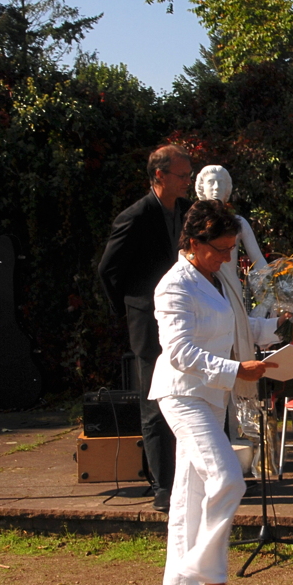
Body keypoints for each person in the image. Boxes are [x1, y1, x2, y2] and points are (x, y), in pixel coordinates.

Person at [149, 199, 290, 585]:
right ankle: (211, 576)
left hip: (212, 395)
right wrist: (234, 370)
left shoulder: (217, 280)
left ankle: (181, 581)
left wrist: (282, 326)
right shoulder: (173, 284)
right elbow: (178, 352)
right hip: (182, 394)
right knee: (229, 478)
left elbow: (240, 328)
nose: (228, 256)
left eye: (231, 248)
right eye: (221, 249)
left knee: (190, 492)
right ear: (194, 242)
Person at [98, 144, 194, 513]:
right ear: (159, 176)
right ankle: (162, 486)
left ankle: (190, 480)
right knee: (155, 403)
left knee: (189, 397)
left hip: (186, 317)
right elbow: (108, 270)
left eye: (189, 175)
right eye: (182, 176)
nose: (188, 182)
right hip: (147, 320)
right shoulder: (135, 216)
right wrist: (132, 307)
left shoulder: (188, 213)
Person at [194, 165, 270, 316]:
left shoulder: (239, 223)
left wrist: (267, 300)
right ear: (202, 188)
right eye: (211, 183)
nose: (216, 188)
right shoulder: (193, 224)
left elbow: (258, 260)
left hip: (230, 289)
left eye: (221, 183)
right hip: (200, 287)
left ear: (228, 189)